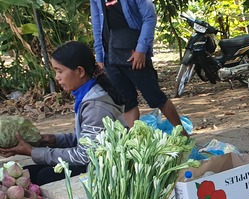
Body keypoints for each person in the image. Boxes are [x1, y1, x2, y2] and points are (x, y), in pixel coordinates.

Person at [0, 41, 127, 185]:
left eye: (60, 71)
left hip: (106, 170)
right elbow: (86, 140)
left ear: (80, 71)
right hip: (95, 160)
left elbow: (84, 155)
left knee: (44, 176)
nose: (57, 77)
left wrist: (32, 152)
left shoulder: (95, 106)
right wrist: (52, 140)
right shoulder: (88, 95)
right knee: (30, 171)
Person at [90, 0, 187, 134]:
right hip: (110, 55)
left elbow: (149, 17)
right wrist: (100, 57)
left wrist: (141, 50)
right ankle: (137, 139)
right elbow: (96, 24)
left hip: (133, 51)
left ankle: (183, 134)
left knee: (155, 96)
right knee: (126, 101)